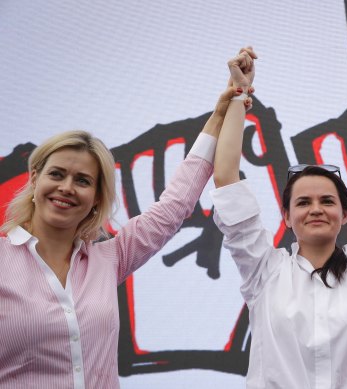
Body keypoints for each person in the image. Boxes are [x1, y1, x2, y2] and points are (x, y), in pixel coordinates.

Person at [0, 80, 252, 388]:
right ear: (35, 179)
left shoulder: (108, 258)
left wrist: (221, 112)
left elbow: (175, 205)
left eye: (82, 181)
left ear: (96, 197)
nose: (66, 187)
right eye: (56, 174)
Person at [210, 42, 347, 388]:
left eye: (327, 200)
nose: (316, 209)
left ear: (345, 214)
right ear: (287, 217)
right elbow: (227, 181)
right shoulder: (265, 271)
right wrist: (237, 95)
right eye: (303, 203)